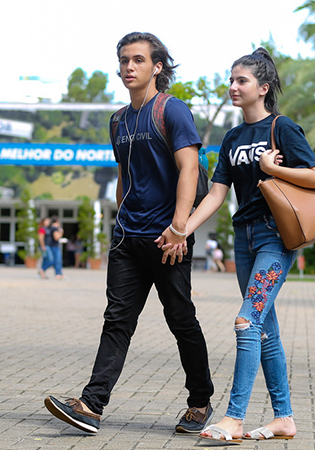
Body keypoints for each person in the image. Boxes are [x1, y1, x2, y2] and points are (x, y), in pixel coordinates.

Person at [44, 31, 214, 435]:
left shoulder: (171, 111)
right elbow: (126, 176)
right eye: (123, 60)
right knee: (116, 320)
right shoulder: (119, 119)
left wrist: (179, 228)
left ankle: (200, 401)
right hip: (127, 239)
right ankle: (91, 404)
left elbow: (189, 168)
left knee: (181, 320)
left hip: (167, 239)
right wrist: (120, 221)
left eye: (137, 60)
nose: (128, 67)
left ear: (157, 66)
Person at [161, 47, 315, 443]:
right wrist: (181, 229)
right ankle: (283, 418)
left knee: (246, 321)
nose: (232, 87)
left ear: (262, 88)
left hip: (275, 238)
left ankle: (234, 417)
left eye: (241, 81)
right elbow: (216, 194)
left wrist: (273, 169)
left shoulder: (282, 128)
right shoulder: (233, 137)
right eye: (231, 80)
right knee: (265, 328)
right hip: (244, 240)